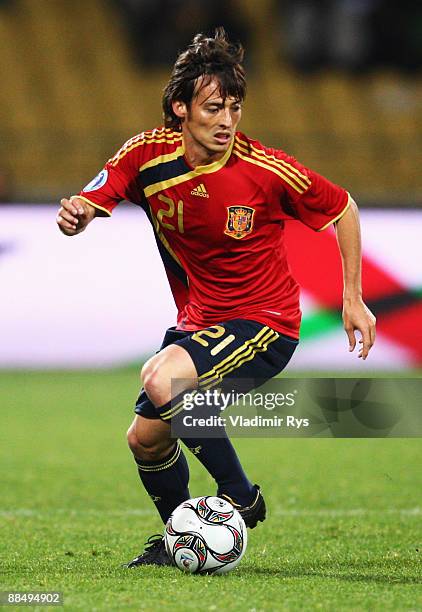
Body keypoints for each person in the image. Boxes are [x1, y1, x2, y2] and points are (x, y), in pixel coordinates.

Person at [56, 28, 376, 567]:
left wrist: (352, 297)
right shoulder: (145, 158)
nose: (226, 120)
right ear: (180, 109)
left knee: (162, 377)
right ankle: (183, 535)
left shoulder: (264, 169)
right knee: (146, 440)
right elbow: (93, 198)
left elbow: (343, 207)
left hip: (265, 323)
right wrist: (78, 215)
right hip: (198, 323)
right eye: (212, 108)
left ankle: (240, 495)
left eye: (234, 108)